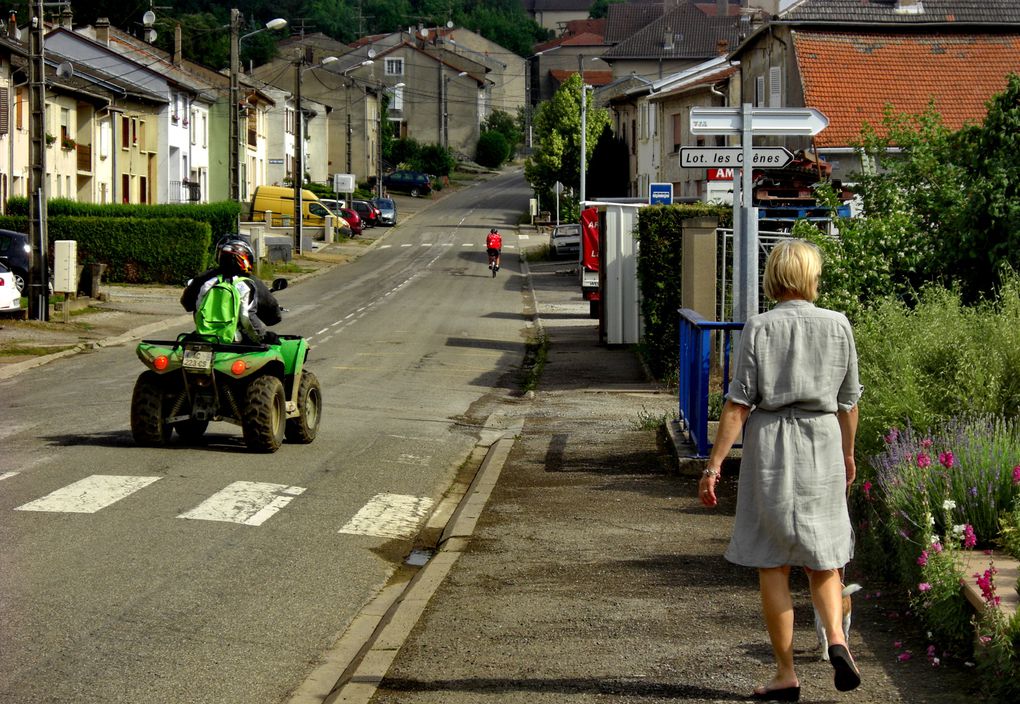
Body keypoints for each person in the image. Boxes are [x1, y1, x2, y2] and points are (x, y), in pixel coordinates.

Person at [699, 239, 862, 702]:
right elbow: (848, 403)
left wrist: (713, 468)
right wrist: (848, 454)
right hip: (823, 442)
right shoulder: (838, 325)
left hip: (770, 443)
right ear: (812, 276)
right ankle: (836, 640)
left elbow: (737, 404)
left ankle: (786, 674)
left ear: (774, 276)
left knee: (772, 561)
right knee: (825, 556)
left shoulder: (760, 327)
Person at [181, 236, 282, 344]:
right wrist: (264, 332)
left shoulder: (204, 278)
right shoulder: (250, 282)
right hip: (240, 338)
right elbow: (269, 314)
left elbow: (186, 303)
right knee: (275, 343)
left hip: (205, 335)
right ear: (245, 257)